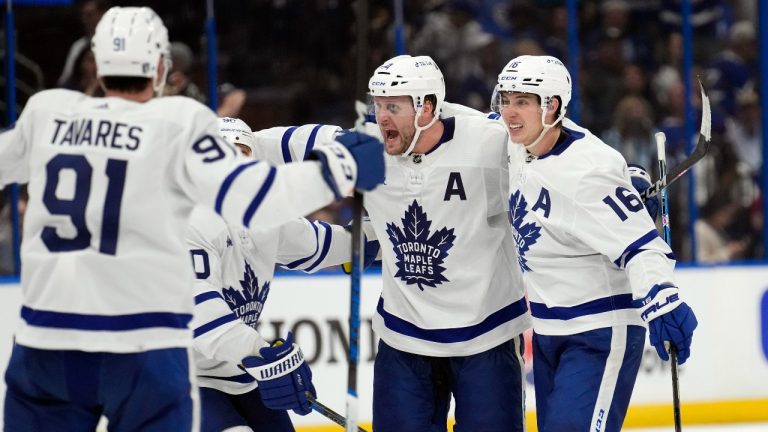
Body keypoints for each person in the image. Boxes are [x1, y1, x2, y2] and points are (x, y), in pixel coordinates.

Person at [0, 7, 384, 432]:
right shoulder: (175, 126)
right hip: (138, 348)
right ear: (162, 67)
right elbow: (257, 191)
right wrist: (341, 167)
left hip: (45, 342)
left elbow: (274, 165)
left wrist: (384, 226)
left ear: (95, 61)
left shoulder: (46, 112)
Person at [492, 55, 698, 431]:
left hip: (599, 332)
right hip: (548, 330)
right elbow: (464, 124)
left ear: (551, 106)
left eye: (522, 101)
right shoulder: (514, 144)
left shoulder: (589, 170)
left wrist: (662, 298)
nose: (509, 112)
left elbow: (642, 245)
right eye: (505, 100)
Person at [360, 55, 531, 432]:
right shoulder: (367, 149)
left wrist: (614, 184)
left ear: (427, 108)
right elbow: (296, 146)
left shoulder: (489, 140)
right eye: (378, 105)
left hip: (487, 334)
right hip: (404, 339)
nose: (382, 116)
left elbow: (549, 153)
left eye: (393, 106)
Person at [190, 117, 352, 432]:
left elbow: (322, 245)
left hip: (240, 374)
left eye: (242, 154)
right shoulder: (189, 222)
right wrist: (263, 354)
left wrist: (382, 237)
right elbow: (199, 314)